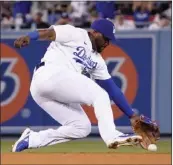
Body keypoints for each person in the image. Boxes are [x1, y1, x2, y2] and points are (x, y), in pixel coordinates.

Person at [12, 19, 142, 152]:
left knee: (81, 127)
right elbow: (49, 33)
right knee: (99, 95)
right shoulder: (76, 34)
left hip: (47, 90)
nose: (107, 43)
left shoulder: (98, 61)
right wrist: (29, 37)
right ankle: (112, 135)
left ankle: (32, 139)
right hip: (49, 73)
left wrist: (132, 115)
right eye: (106, 38)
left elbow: (112, 89)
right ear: (95, 33)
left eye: (110, 40)